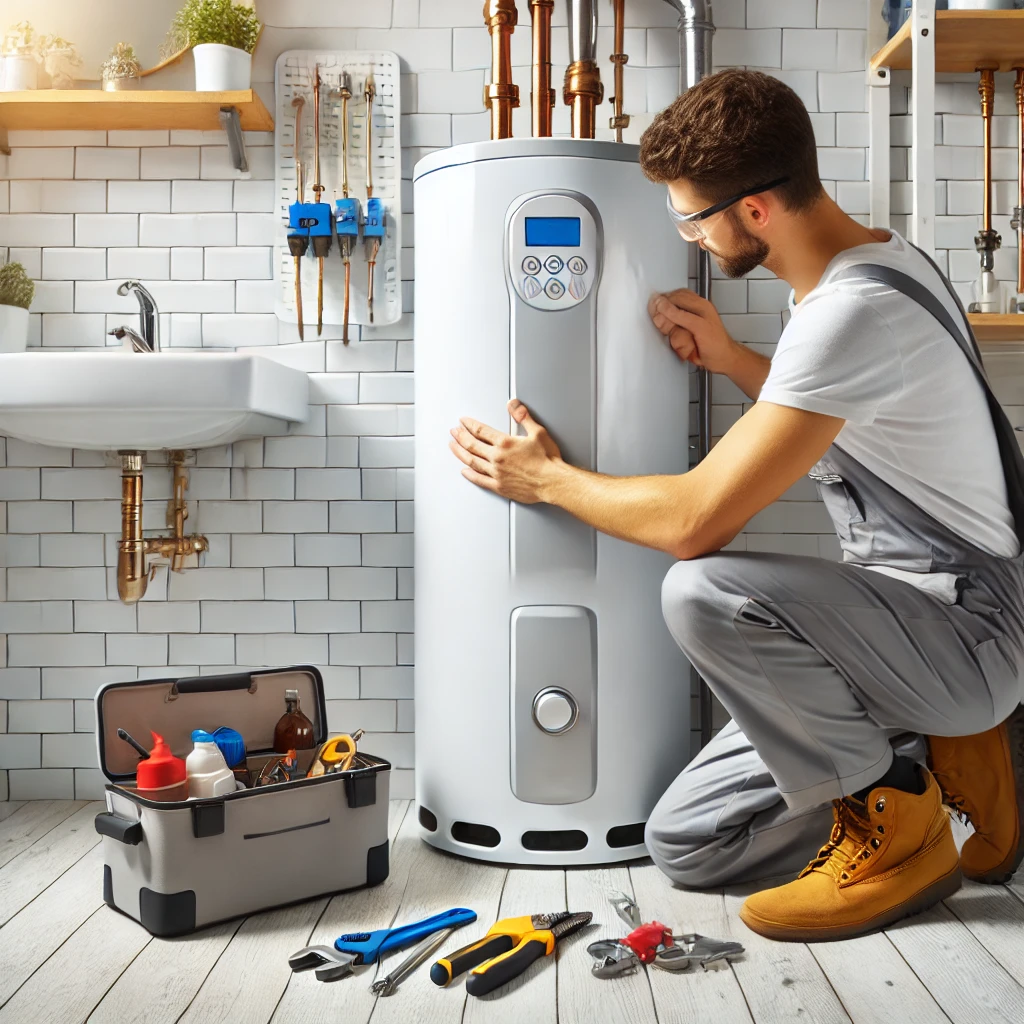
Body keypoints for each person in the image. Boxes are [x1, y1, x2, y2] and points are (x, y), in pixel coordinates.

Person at [447, 68, 1024, 942]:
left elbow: (694, 523)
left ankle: (902, 827)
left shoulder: (848, 314)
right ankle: (938, 756)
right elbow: (843, 410)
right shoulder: (881, 263)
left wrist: (545, 479)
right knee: (689, 843)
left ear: (754, 210)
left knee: (703, 589)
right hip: (908, 629)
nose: (690, 237)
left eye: (692, 220)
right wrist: (736, 360)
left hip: (965, 631)